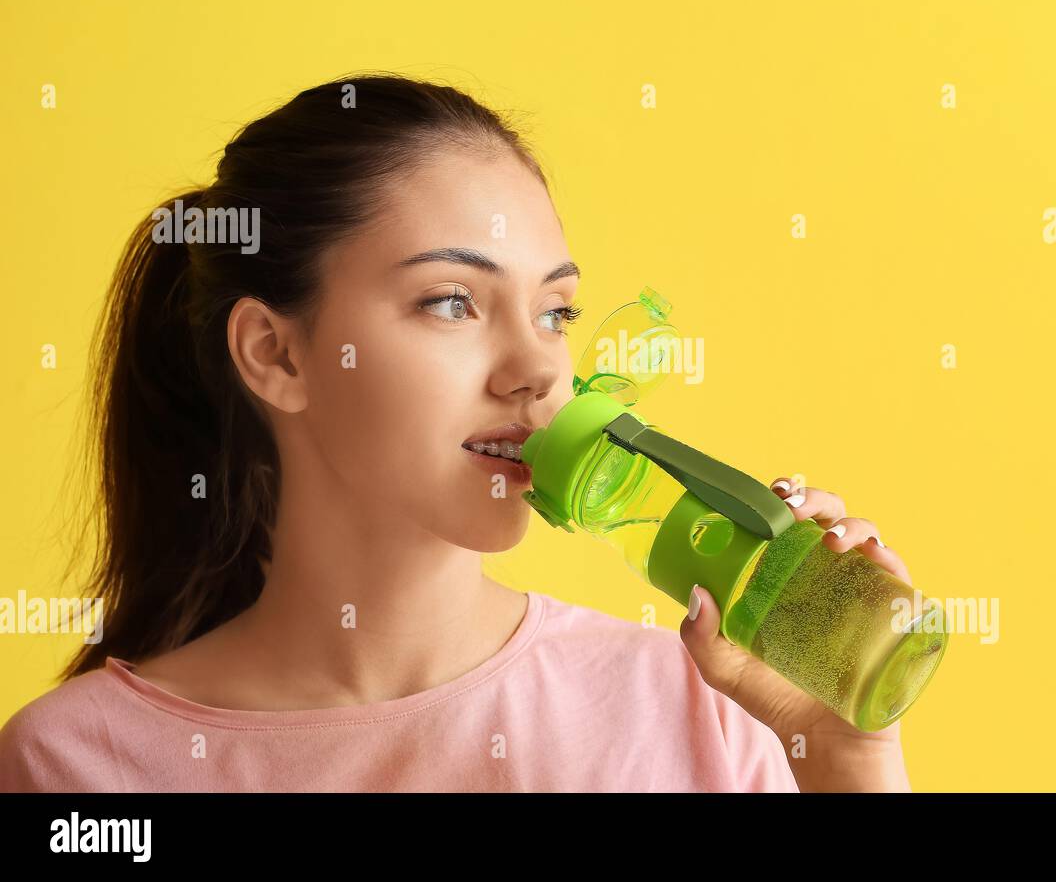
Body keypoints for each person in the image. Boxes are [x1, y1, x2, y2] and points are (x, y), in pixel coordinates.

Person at [0, 74, 912, 792]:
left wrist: (849, 764)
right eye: (452, 302)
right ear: (276, 355)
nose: (540, 368)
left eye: (556, 311)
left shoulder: (696, 707)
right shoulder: (79, 769)